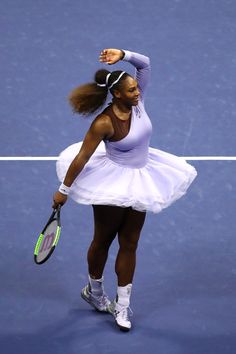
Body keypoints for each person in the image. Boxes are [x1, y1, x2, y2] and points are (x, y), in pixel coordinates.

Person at [52, 48, 197, 332]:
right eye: (131, 90)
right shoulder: (104, 123)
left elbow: (145, 64)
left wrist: (122, 54)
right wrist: (64, 190)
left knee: (130, 243)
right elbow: (82, 157)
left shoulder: (138, 102)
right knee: (103, 241)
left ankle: (122, 305)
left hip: (142, 178)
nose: (138, 93)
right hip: (112, 184)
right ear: (117, 94)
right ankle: (94, 292)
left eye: (136, 88)